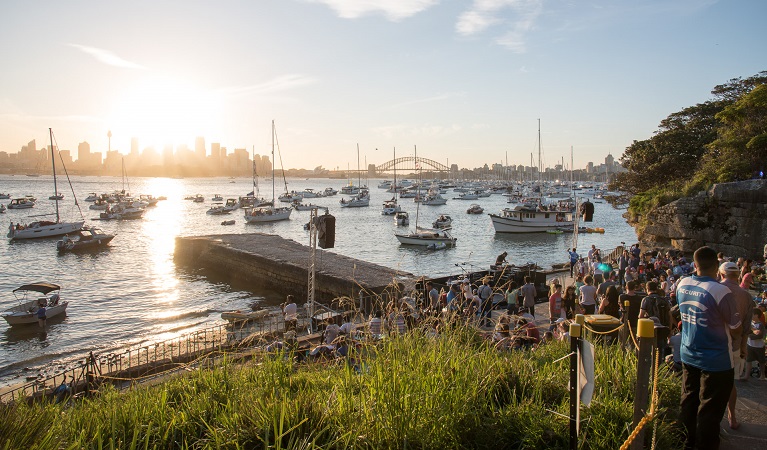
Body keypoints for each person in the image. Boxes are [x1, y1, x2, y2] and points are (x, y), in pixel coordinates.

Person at [678, 246, 741, 450]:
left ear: (695, 265)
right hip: (717, 360)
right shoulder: (721, 291)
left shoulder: (682, 284)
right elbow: (736, 327)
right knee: (710, 410)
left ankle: (684, 442)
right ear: (717, 266)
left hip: (688, 353)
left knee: (688, 402)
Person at [719, 261, 755, 430]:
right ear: (738, 275)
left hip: (714, 343)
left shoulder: (716, 290)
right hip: (735, 345)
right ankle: (732, 416)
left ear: (721, 274)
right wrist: (743, 348)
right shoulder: (746, 296)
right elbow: (746, 327)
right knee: (730, 383)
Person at [747, 308, 766, 380]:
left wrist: (750, 336)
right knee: (748, 360)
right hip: (750, 345)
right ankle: (747, 375)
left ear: (756, 315)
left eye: (752, 315)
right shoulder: (750, 323)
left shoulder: (760, 325)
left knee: (761, 361)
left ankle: (762, 375)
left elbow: (760, 335)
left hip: (759, 346)